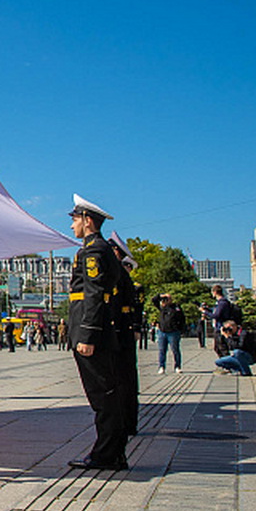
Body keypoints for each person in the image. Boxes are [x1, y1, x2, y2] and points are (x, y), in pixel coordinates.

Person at [66, 194, 128, 471]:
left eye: (75, 220)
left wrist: (87, 335)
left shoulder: (94, 250)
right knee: (106, 394)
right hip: (99, 329)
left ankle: (107, 454)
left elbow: (93, 294)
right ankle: (112, 451)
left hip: (92, 332)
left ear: (87, 220)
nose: (72, 226)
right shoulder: (98, 249)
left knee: (102, 395)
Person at [108, 233, 141, 437]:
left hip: (119, 331)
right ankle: (128, 422)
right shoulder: (122, 274)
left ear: (116, 252)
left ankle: (125, 423)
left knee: (121, 380)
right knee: (126, 379)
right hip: (124, 330)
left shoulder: (118, 274)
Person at [155, 293, 186, 375]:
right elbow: (154, 300)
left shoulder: (176, 307)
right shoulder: (162, 307)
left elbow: (182, 319)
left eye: (167, 299)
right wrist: (161, 296)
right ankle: (162, 366)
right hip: (162, 332)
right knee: (162, 350)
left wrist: (180, 330)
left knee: (175, 350)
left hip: (173, 332)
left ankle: (177, 366)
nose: (165, 300)